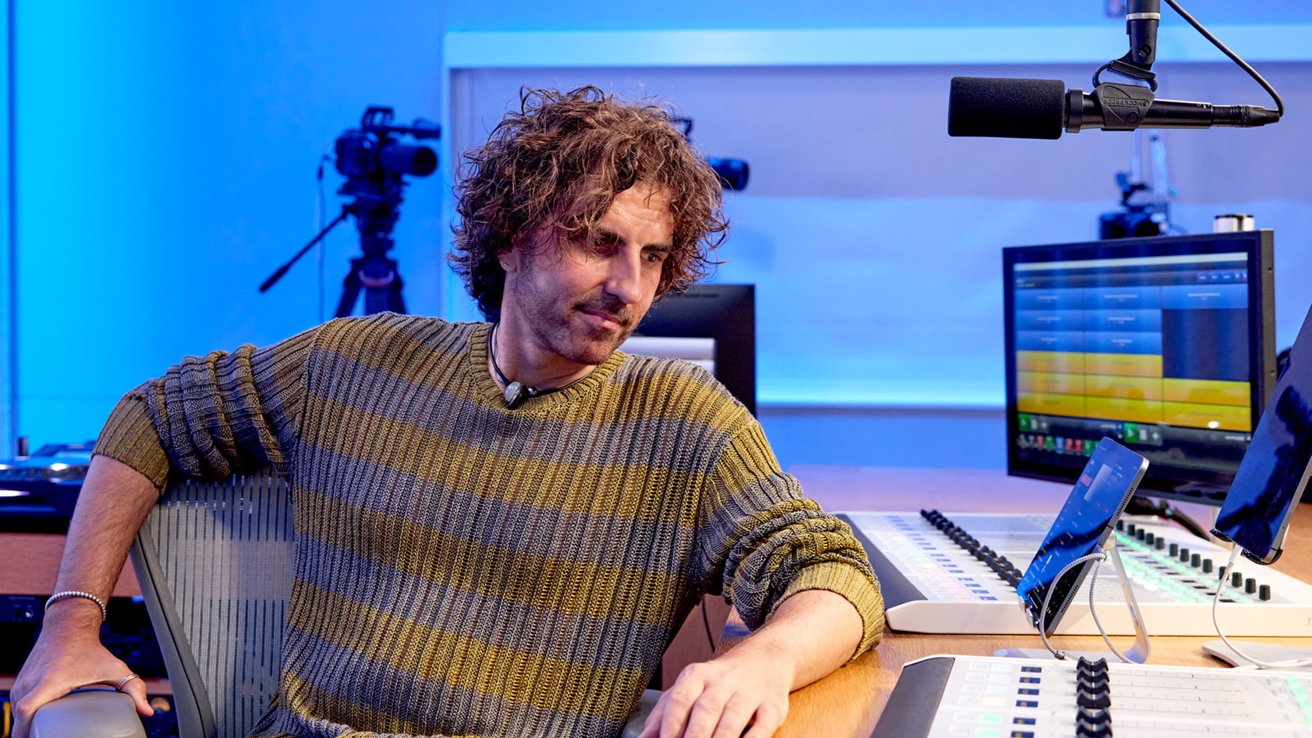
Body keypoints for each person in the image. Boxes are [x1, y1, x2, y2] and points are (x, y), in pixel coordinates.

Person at [12, 86, 883, 738]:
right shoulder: (355, 363)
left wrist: (765, 653)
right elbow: (150, 417)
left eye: (654, 257)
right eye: (599, 242)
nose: (630, 287)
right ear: (510, 234)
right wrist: (69, 625)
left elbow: (832, 572)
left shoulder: (685, 423)